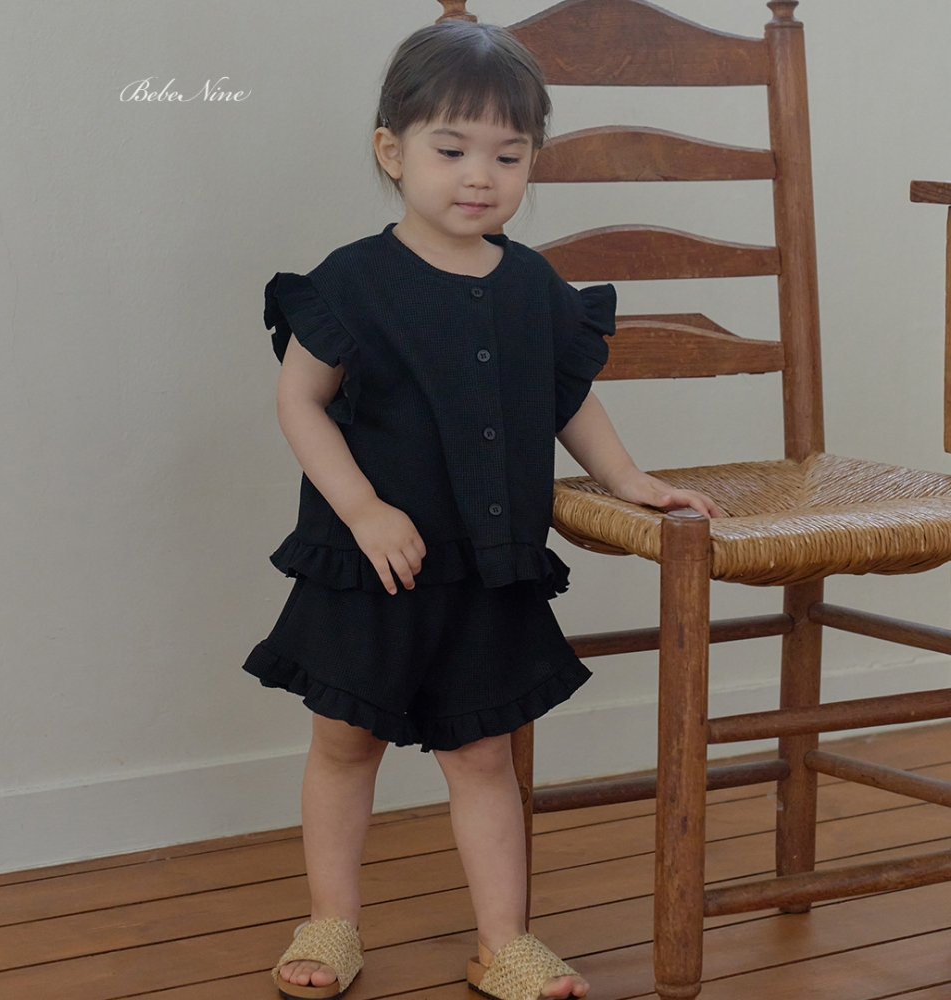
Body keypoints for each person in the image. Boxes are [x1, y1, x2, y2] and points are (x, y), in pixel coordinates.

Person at [242, 17, 725, 1000]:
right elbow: (300, 402)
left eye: (508, 156)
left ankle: (503, 939)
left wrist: (627, 477)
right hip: (372, 562)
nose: (480, 176)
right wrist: (364, 510)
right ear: (393, 152)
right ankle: (332, 920)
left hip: (484, 561)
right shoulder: (352, 282)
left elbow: (568, 397)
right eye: (452, 150)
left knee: (481, 754)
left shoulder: (532, 284)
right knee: (345, 744)